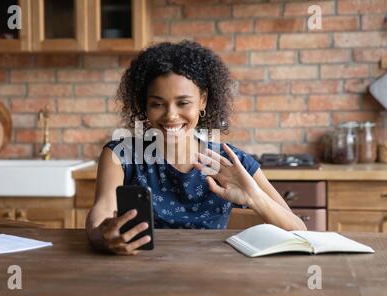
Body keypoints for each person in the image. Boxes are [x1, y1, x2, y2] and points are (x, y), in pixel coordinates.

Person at [86, 40, 306, 255]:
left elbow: (299, 231)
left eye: (183, 103)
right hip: (143, 276)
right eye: (157, 103)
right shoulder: (121, 154)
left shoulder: (229, 161)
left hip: (210, 277)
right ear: (144, 105)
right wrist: (105, 238)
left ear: (202, 100)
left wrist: (253, 197)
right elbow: (98, 220)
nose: (171, 115)